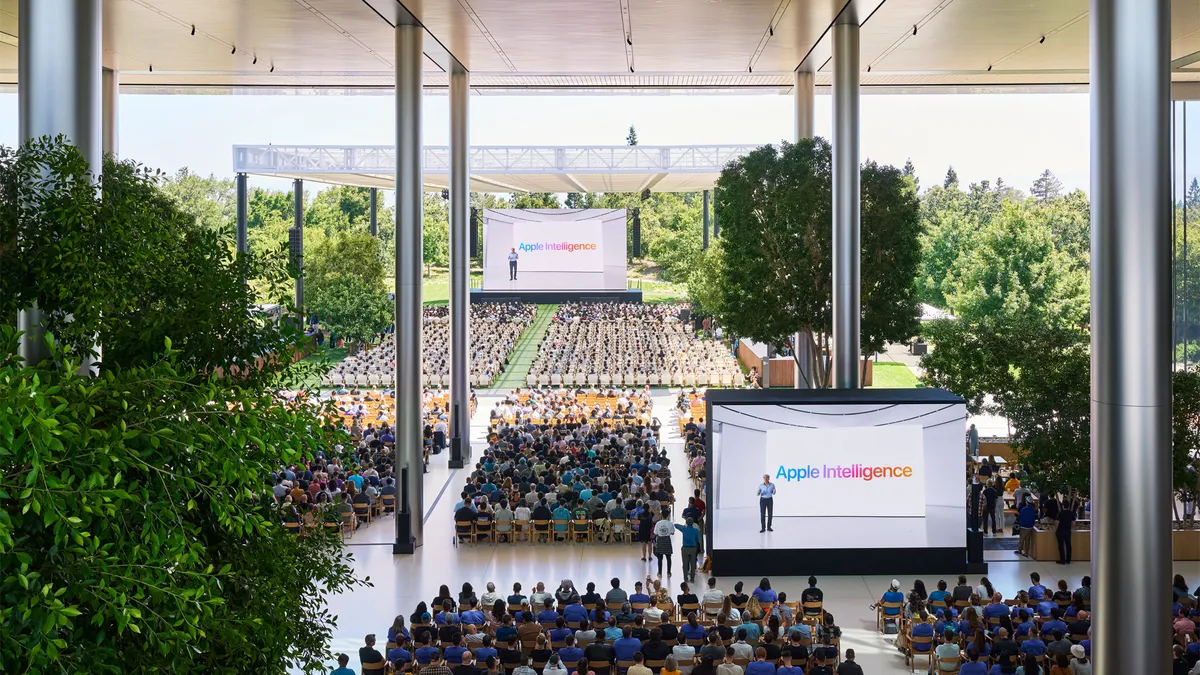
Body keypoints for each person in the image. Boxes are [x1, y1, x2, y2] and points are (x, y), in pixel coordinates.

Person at [1055, 499, 1076, 564]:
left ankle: (1062, 560)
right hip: (1068, 531)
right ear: (1069, 506)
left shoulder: (1060, 513)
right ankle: (1068, 560)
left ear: (1063, 506)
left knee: (1061, 546)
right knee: (1068, 545)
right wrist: (1070, 527)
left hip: (1060, 531)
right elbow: (1073, 523)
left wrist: (1056, 529)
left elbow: (1057, 522)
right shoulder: (1071, 513)